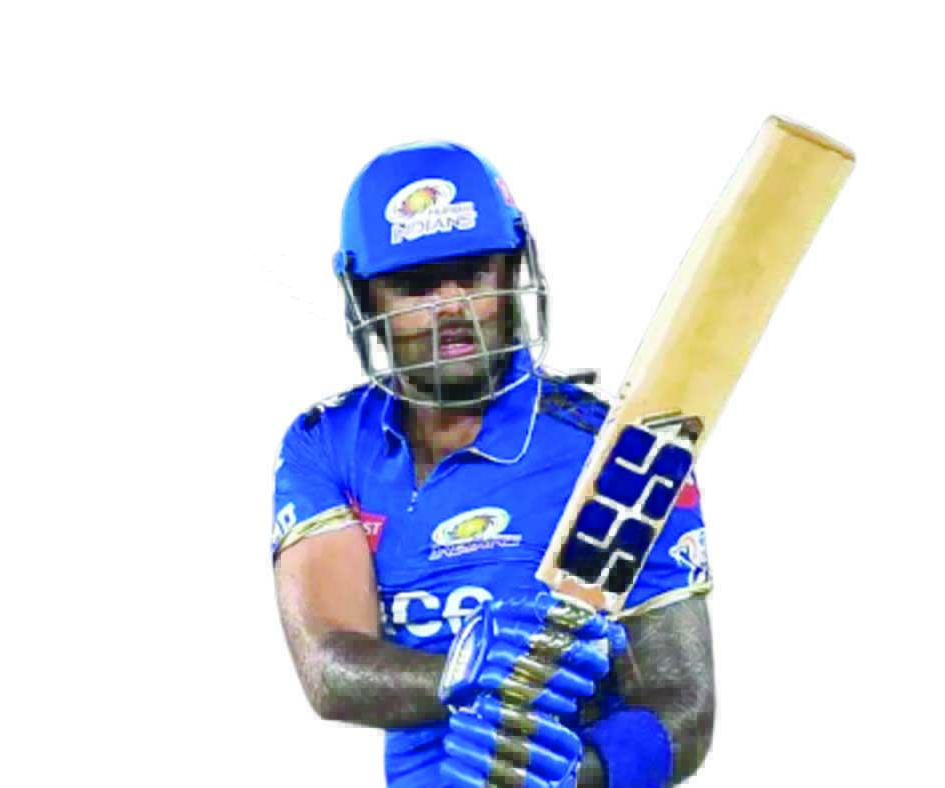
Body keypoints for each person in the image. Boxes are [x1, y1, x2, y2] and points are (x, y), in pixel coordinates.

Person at [272, 141, 715, 787]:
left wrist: (579, 775)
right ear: (368, 301)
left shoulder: (614, 449)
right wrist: (467, 669)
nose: (451, 305)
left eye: (473, 274)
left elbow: (685, 703)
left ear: (511, 274)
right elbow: (330, 668)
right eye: (416, 285)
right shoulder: (329, 444)